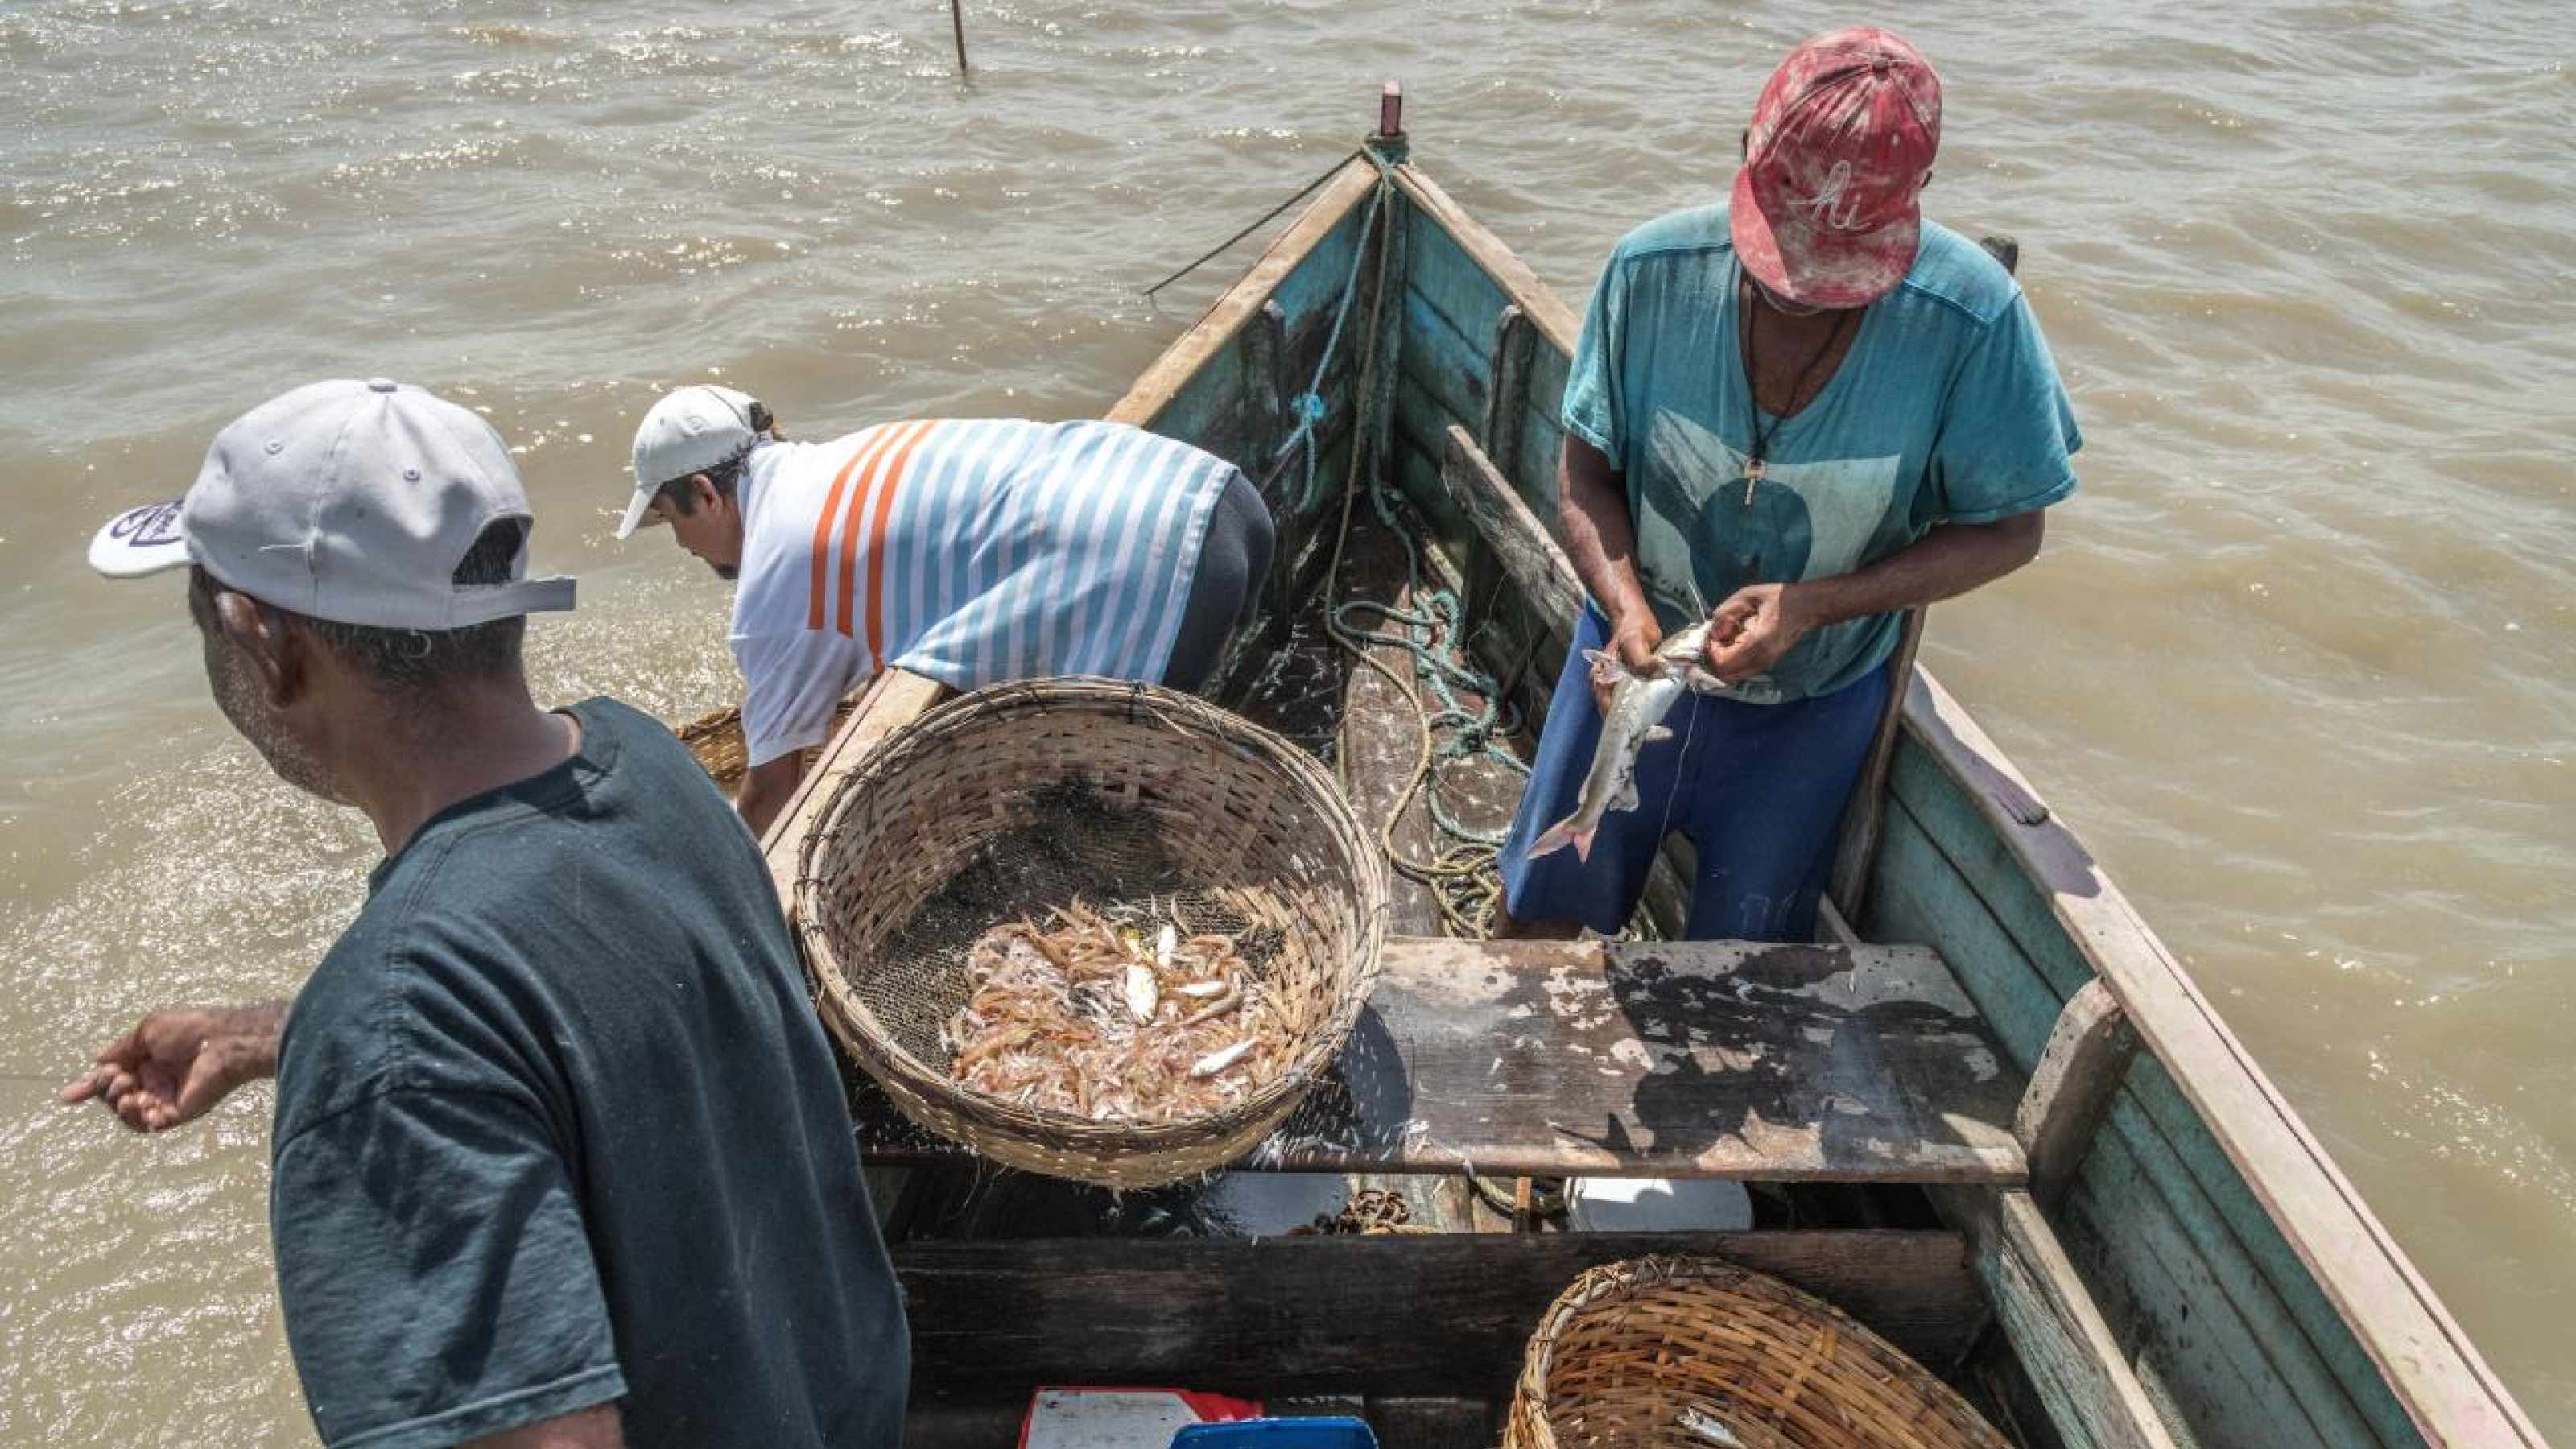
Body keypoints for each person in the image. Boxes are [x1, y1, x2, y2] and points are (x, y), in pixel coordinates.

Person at [62, 379, 908, 1448]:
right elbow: (603, 1016)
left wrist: (360, 1044)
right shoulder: (647, 764)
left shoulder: (395, 1032)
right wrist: (283, 1032)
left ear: (262, 639)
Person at [1496, 27, 2081, 943]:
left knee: (1751, 961)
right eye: (1782, 259)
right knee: (1537, 917)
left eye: (1833, 273)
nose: (1800, 291)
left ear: (1913, 202)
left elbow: (2010, 530)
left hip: (1813, 703)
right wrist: (1623, 609)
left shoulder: (1971, 323)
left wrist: (1815, 606)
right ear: (1744, 155)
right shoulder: (1648, 274)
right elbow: (1582, 470)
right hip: (1632, 663)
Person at [614, 388, 1274, 834]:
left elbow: (772, 791)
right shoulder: (840, 461)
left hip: (1169, 567)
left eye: (669, 519)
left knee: (1097, 818)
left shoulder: (774, 577)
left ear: (705, 494)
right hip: (1222, 498)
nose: (678, 543)